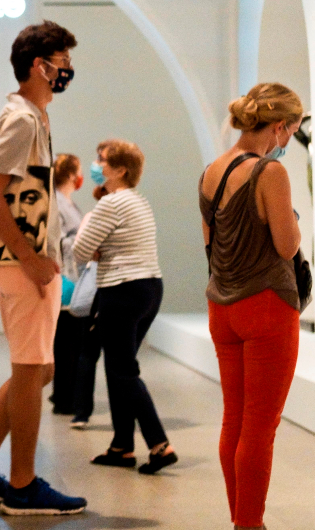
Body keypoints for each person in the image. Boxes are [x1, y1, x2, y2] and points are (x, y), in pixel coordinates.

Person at [0, 21, 87, 515]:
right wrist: (29, 258)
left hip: (22, 261)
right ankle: (23, 484)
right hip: (20, 263)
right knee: (32, 371)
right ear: (40, 65)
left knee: (38, 370)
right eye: (64, 61)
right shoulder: (23, 120)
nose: (69, 70)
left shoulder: (33, 117)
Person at [199, 83, 303, 530]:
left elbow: (210, 244)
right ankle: (248, 525)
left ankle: (243, 520)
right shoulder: (270, 172)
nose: (289, 141)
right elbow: (286, 246)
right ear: (279, 126)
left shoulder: (212, 170)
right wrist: (292, 219)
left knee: (235, 421)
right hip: (267, 306)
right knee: (260, 427)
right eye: (291, 132)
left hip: (222, 307)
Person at [72, 139, 177, 475]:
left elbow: (79, 250)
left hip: (121, 289)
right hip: (149, 288)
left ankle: (159, 445)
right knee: (119, 366)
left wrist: (95, 248)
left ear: (120, 170)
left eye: (102, 160)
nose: (96, 165)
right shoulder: (138, 201)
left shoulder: (110, 203)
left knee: (122, 370)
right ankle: (121, 446)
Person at [70, 141, 114, 429]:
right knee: (102, 354)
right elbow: (84, 250)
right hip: (107, 287)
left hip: (103, 287)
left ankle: (82, 412)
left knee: (90, 352)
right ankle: (83, 411)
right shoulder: (100, 214)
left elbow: (84, 250)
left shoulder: (94, 214)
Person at [48, 153, 86, 415]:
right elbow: (59, 241)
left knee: (71, 341)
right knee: (66, 342)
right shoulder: (57, 203)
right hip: (65, 278)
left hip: (73, 276)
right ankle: (64, 397)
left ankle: (67, 393)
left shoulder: (67, 202)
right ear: (72, 175)